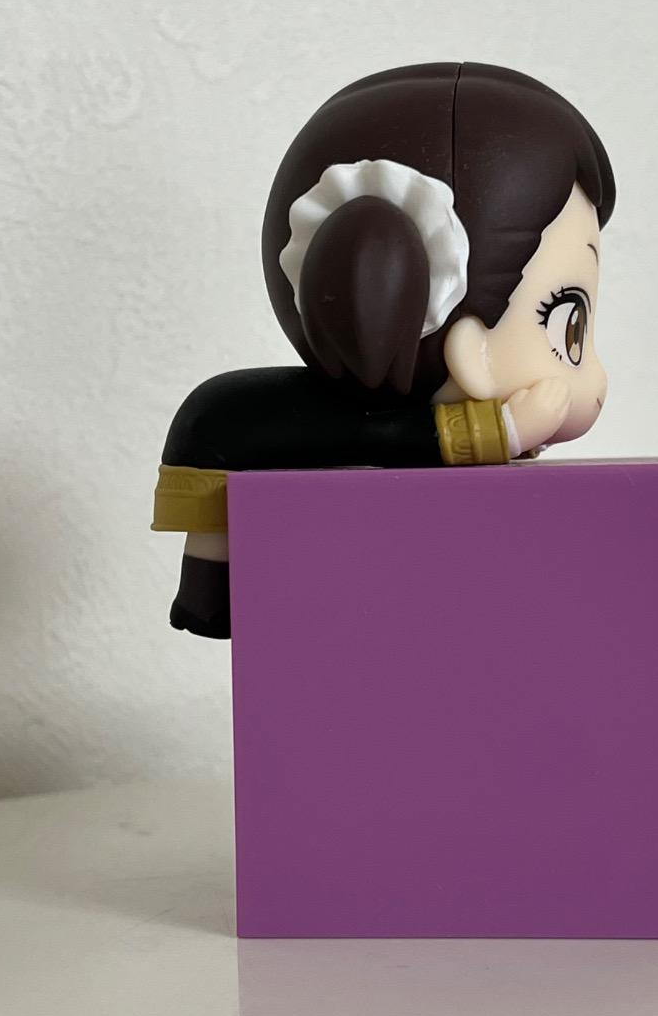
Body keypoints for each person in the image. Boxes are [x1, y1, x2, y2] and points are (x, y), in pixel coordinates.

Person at [153, 62, 616, 638]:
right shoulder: (356, 429)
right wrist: (498, 431)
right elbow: (391, 440)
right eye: (568, 326)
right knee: (226, 567)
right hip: (221, 450)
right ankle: (207, 597)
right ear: (469, 345)